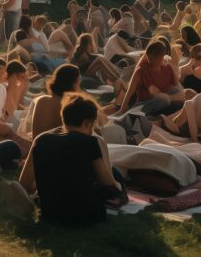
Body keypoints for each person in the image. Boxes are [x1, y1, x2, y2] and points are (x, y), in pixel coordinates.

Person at [13, 93, 126, 225]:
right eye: (92, 125)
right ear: (86, 123)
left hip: (49, 212)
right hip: (86, 215)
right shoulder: (90, 142)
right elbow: (106, 183)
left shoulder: (41, 140)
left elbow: (25, 184)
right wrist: (117, 186)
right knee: (116, 177)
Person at [116, 40, 185, 116]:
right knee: (163, 100)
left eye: (157, 56)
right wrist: (122, 109)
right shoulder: (141, 70)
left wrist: (169, 97)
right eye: (150, 57)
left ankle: (162, 117)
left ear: (161, 56)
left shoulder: (168, 68)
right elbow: (130, 92)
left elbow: (179, 89)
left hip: (167, 101)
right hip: (147, 104)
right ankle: (138, 115)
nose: (151, 60)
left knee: (183, 96)